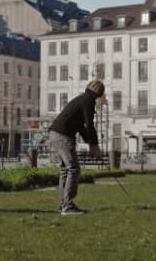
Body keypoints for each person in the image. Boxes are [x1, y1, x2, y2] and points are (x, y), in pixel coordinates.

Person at [49, 80, 105, 215]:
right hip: (63, 135)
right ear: (100, 93)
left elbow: (80, 126)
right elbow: (89, 125)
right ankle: (67, 206)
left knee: (65, 170)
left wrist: (91, 143)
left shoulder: (82, 99)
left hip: (55, 133)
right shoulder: (88, 102)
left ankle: (64, 204)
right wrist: (95, 146)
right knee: (73, 168)